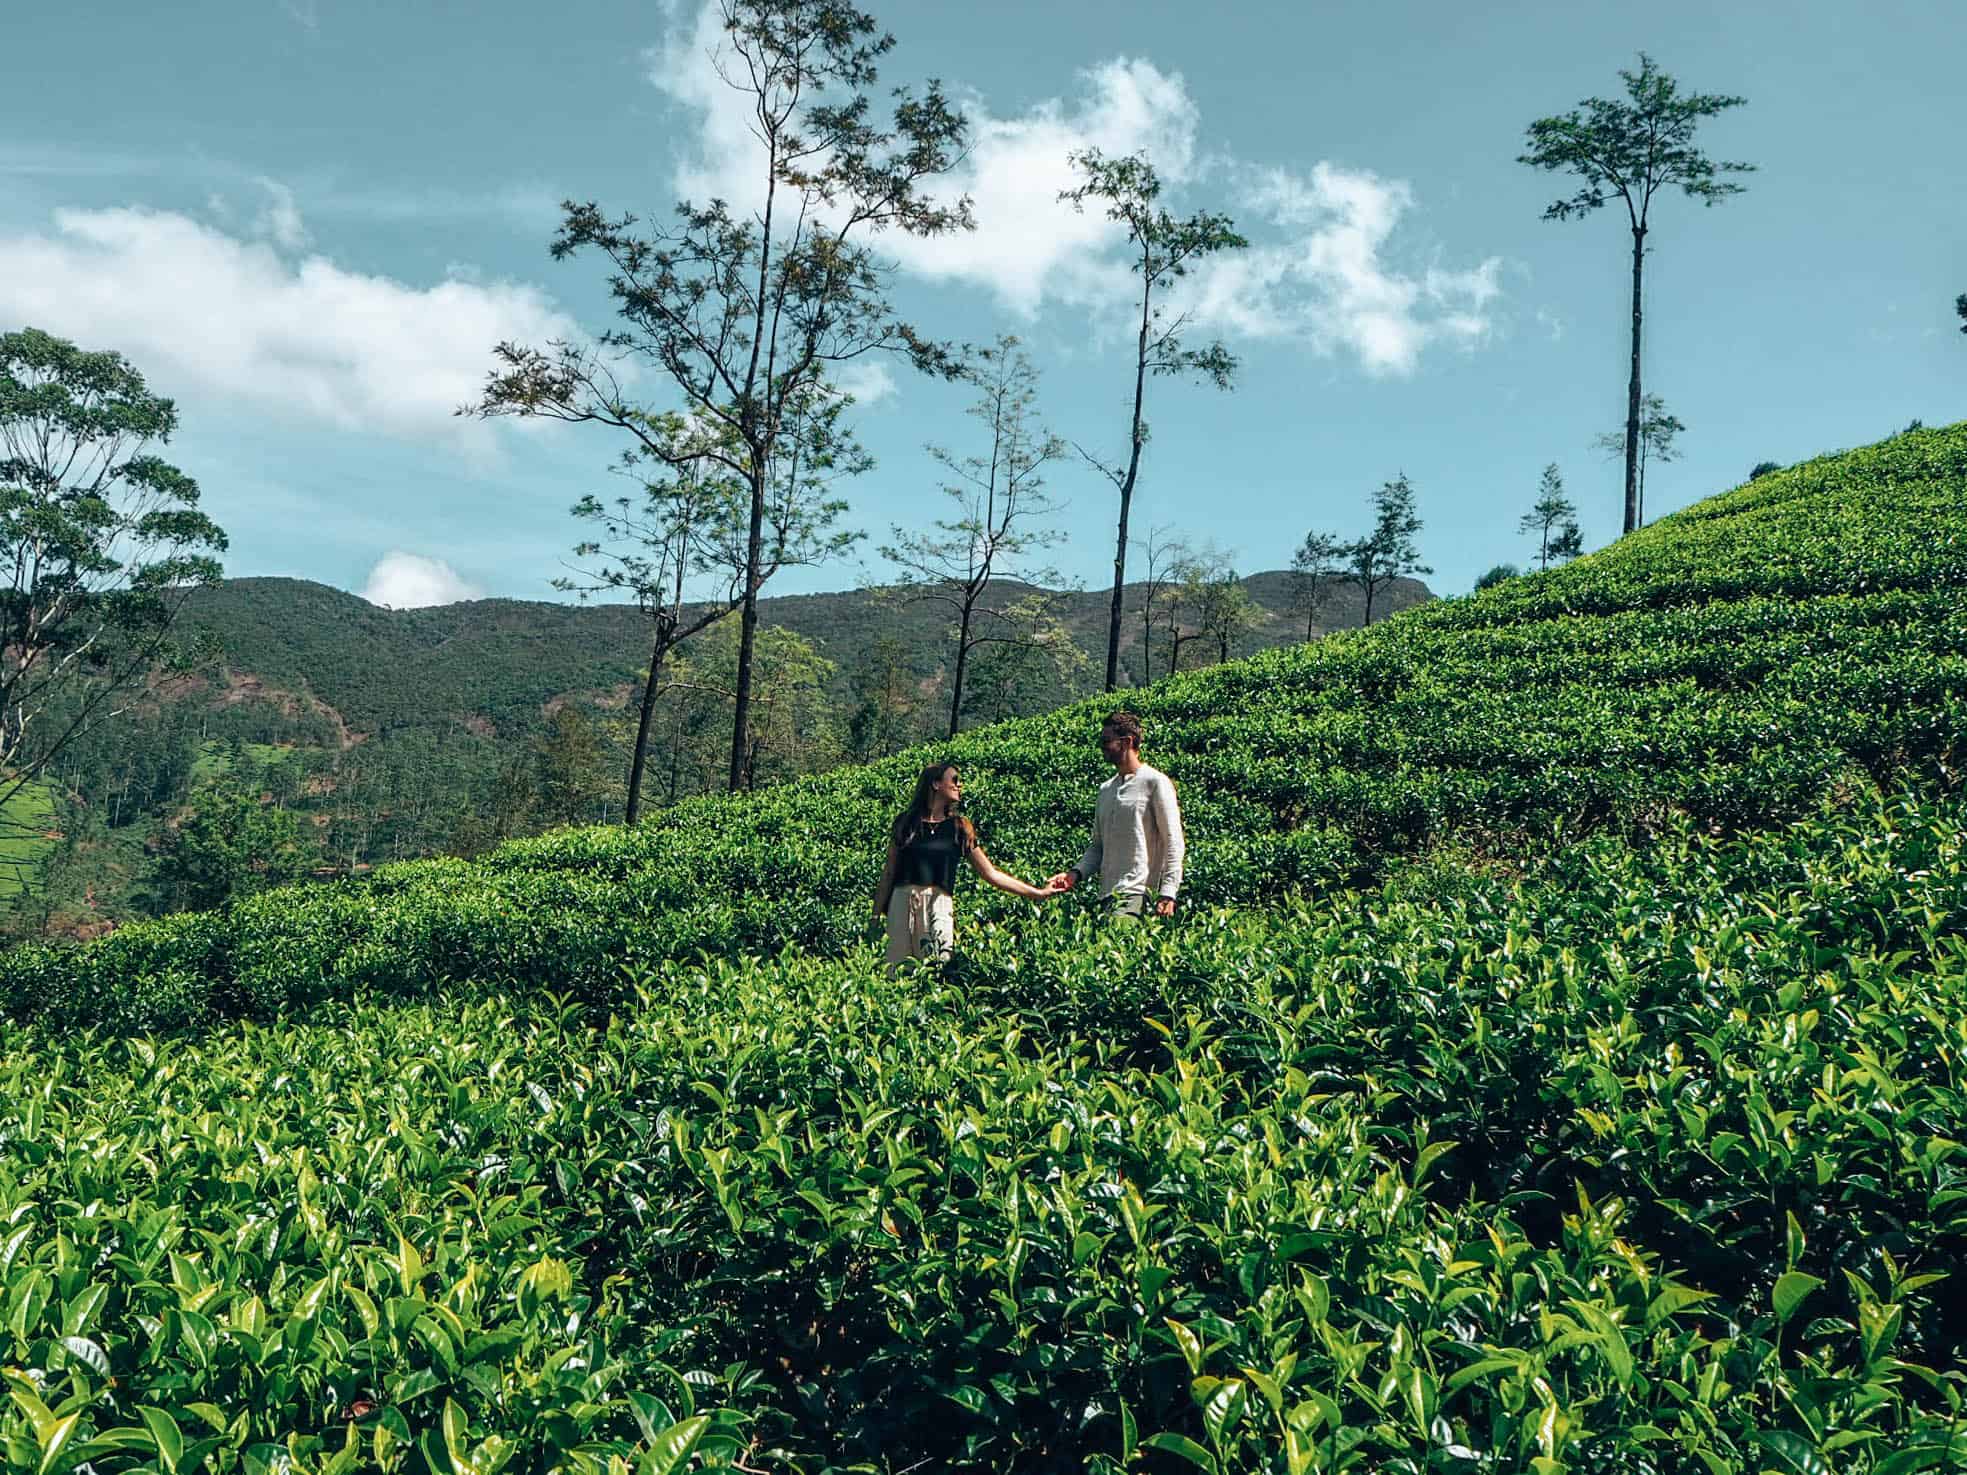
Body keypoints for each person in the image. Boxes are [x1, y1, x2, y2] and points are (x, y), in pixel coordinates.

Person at [875, 761, 1055, 969]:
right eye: (954, 780)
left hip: (938, 903)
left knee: (937, 968)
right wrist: (875, 917)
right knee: (896, 971)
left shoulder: (959, 828)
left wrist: (1036, 893)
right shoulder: (905, 823)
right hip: (901, 903)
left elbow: (990, 873)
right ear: (935, 784)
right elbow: (889, 873)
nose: (959, 785)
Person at [1046, 710, 1185, 919]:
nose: (1102, 746)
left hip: (1137, 894)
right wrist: (1074, 875)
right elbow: (1098, 847)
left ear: (1127, 742)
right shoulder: (1106, 789)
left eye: (1106, 741)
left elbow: (1173, 841)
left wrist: (1168, 892)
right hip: (1106, 896)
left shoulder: (1155, 782)